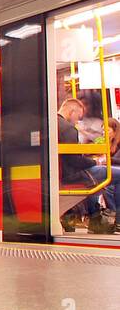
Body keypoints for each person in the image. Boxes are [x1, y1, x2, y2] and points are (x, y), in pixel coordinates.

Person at [58, 97, 103, 231]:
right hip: (70, 174)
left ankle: (93, 215)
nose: (78, 120)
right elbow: (75, 161)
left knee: (96, 178)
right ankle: (100, 217)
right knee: (112, 174)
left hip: (59, 172)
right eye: (78, 116)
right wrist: (95, 161)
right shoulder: (68, 128)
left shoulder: (50, 123)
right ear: (72, 111)